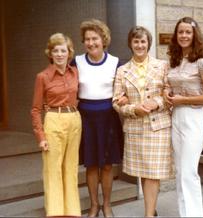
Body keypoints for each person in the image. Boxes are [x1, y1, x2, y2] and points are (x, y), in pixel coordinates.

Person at [113, 26, 174, 217]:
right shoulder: (123, 71)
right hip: (135, 127)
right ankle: (151, 209)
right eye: (136, 41)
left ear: (149, 43)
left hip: (158, 126)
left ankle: (148, 215)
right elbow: (116, 101)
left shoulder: (163, 66)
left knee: (152, 172)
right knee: (142, 171)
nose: (140, 45)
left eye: (143, 41)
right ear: (130, 44)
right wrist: (133, 109)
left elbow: (170, 93)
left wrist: (155, 103)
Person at [164, 17, 203, 217]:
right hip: (176, 116)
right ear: (176, 35)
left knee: (189, 172)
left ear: (194, 35)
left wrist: (182, 100)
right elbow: (170, 85)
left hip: (193, 118)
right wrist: (167, 93)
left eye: (188, 32)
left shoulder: (202, 61)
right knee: (180, 172)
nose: (184, 35)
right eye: (180, 32)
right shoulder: (175, 60)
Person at [71, 19, 123, 218]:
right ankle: (94, 205)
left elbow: (123, 90)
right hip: (85, 118)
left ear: (104, 39)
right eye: (87, 39)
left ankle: (107, 205)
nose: (91, 42)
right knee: (91, 164)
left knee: (108, 165)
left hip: (108, 118)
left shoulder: (115, 62)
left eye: (95, 38)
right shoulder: (76, 61)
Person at [31, 33, 81, 217]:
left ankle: (72, 211)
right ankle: (55, 213)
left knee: (71, 167)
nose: (60, 54)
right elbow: (35, 109)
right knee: (53, 168)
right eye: (56, 50)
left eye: (63, 50)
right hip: (53, 119)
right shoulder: (42, 77)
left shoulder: (74, 72)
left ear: (69, 53)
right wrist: (41, 137)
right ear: (50, 53)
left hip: (74, 119)